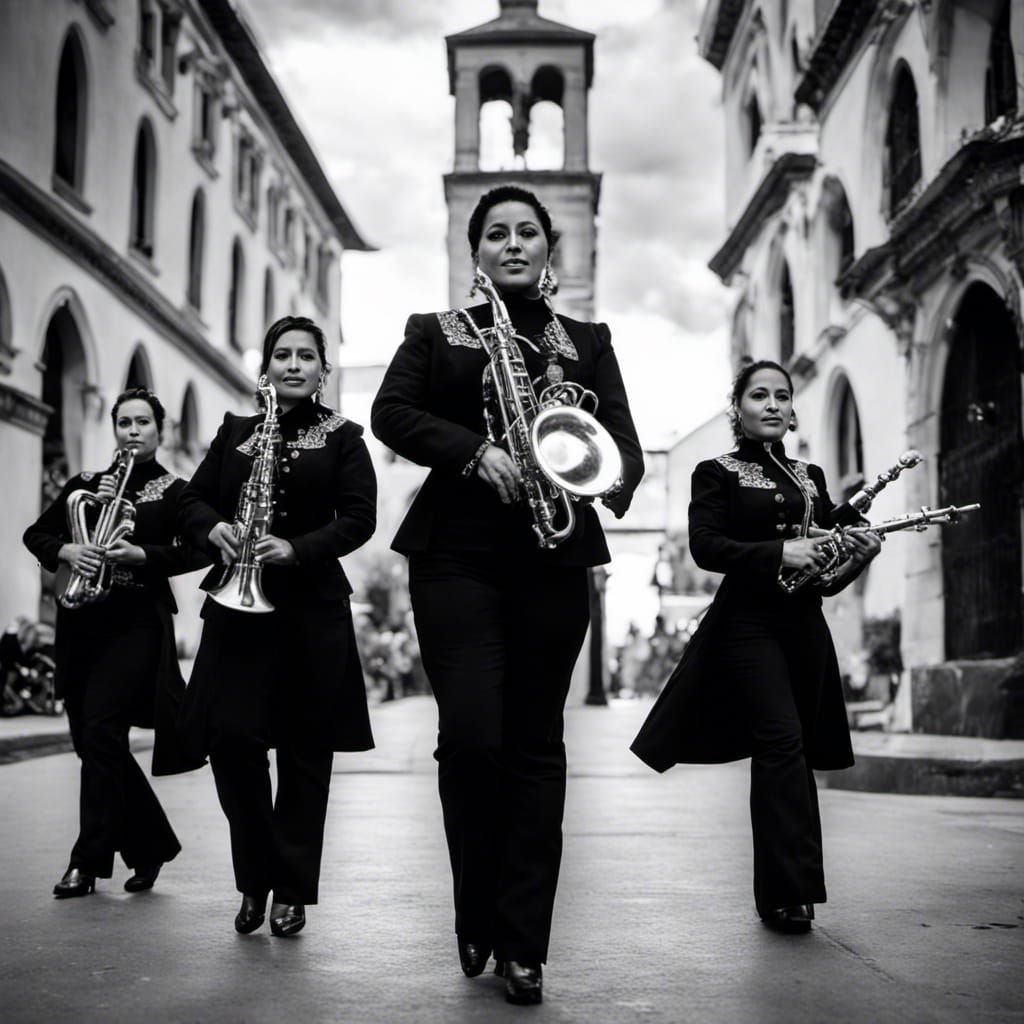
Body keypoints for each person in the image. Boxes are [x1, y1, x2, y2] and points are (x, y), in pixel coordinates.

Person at [371, 185, 644, 1005]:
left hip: (553, 559)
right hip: (456, 555)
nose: (513, 243)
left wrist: (590, 468)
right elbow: (392, 412)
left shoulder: (588, 341)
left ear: (548, 247)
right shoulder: (436, 332)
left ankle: (523, 944)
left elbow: (622, 450)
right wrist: (470, 450)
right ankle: (477, 910)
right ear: (476, 250)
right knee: (475, 736)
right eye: (497, 233)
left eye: (528, 232)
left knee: (534, 744)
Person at [631, 360, 881, 933]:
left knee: (794, 753)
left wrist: (854, 562)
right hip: (746, 626)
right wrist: (777, 553)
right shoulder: (713, 471)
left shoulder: (811, 475)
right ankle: (786, 893)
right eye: (759, 395)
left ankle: (789, 887)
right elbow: (706, 547)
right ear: (737, 408)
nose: (772, 404)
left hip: (803, 627)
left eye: (782, 396)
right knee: (780, 740)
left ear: (793, 410)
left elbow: (823, 573)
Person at [178, 315, 376, 938]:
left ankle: (290, 889)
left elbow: (360, 519)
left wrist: (299, 548)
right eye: (281, 355)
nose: (293, 365)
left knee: (303, 753)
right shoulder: (236, 431)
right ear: (266, 366)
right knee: (232, 743)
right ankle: (255, 877)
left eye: (305, 357)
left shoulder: (345, 435)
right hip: (237, 612)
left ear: (324, 369)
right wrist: (212, 527)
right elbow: (191, 498)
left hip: (311, 612)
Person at [23, 386, 207, 898]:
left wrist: (145, 556)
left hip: (134, 627)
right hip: (82, 623)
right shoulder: (85, 484)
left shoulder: (176, 492)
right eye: (124, 422)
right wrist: (68, 549)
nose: (132, 431)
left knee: (103, 731)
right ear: (114, 428)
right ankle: (150, 845)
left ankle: (87, 862)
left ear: (159, 430)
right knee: (90, 741)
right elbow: (35, 535)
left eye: (142, 422)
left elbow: (197, 550)